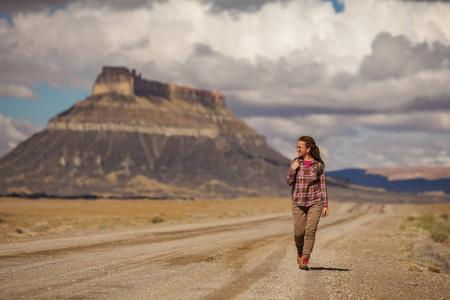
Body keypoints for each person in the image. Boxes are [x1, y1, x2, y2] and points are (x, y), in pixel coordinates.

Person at [286, 136, 328, 270]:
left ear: (308, 149)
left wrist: (325, 205)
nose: (297, 149)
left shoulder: (319, 166)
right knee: (299, 233)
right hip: (298, 202)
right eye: (296, 147)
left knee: (310, 231)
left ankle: (305, 258)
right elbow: (288, 182)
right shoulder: (295, 162)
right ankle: (299, 250)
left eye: (300, 147)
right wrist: (293, 169)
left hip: (315, 202)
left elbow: (323, 186)